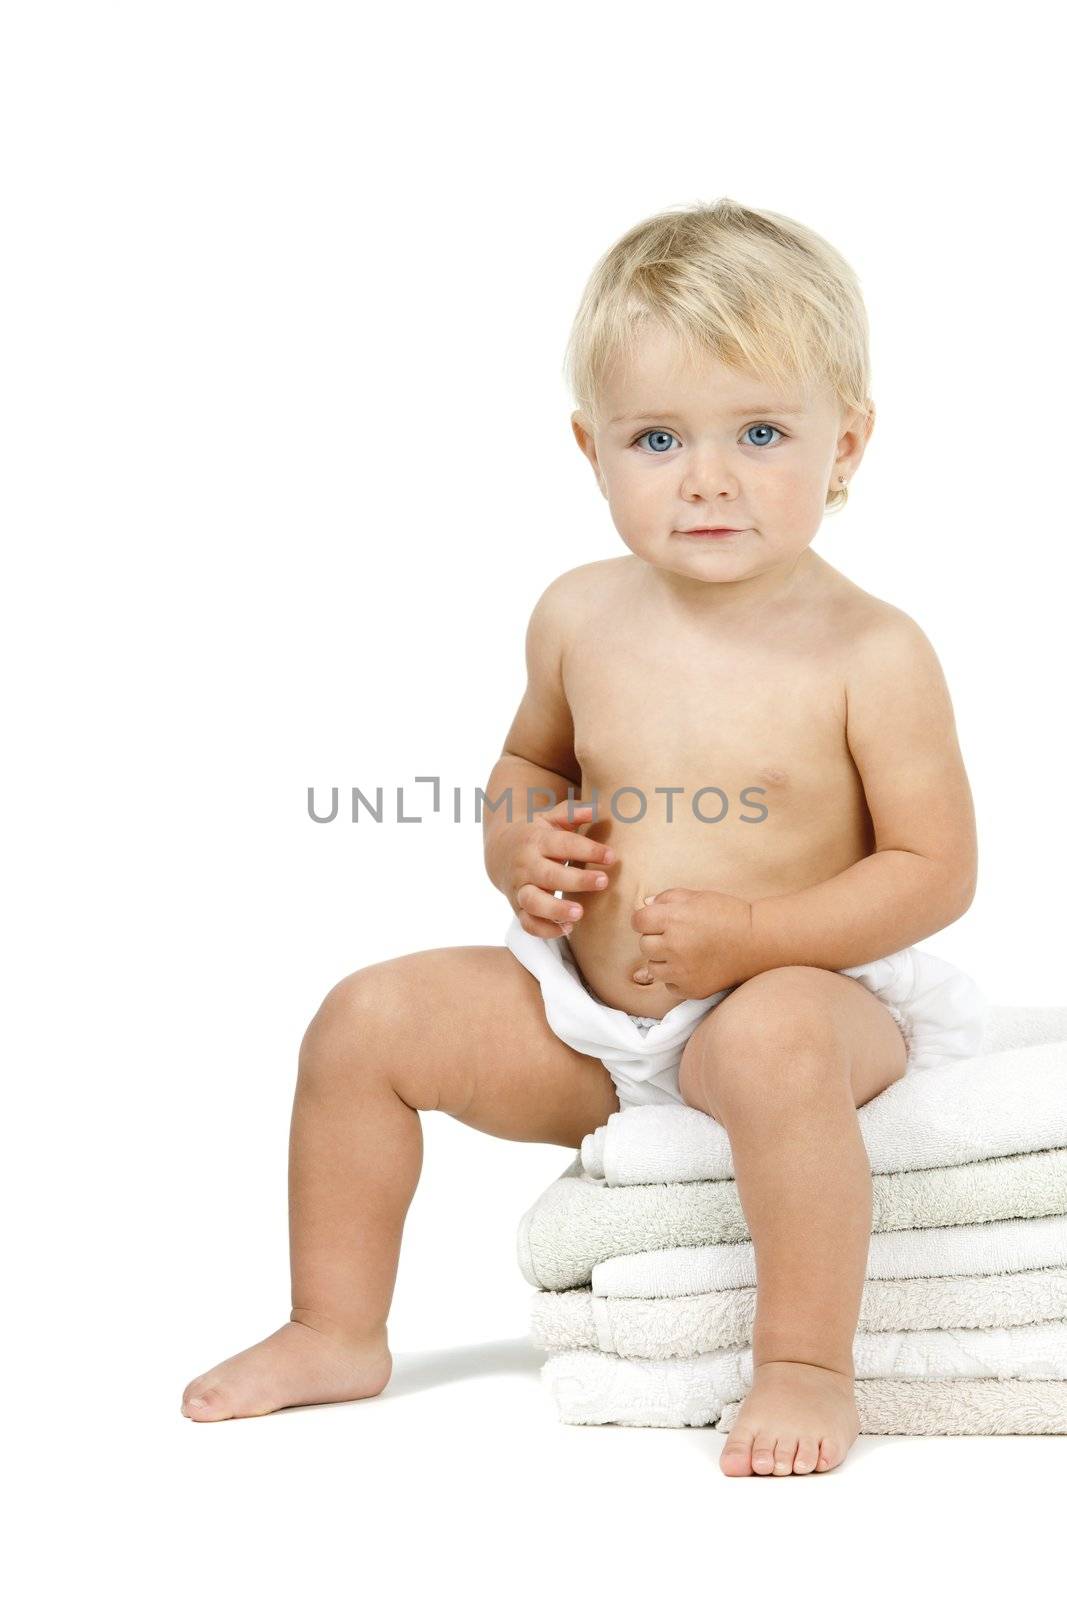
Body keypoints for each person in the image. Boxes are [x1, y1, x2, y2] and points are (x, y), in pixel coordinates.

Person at [181, 198, 987, 1476]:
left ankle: (804, 1363)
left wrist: (759, 937)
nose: (707, 475)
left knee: (774, 1034)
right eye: (656, 436)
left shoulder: (869, 652)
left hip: (800, 1009)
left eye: (759, 432)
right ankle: (333, 1325)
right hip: (589, 1022)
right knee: (362, 1020)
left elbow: (935, 870)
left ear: (849, 440)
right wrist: (517, 846)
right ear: (590, 449)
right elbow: (528, 765)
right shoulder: (576, 613)